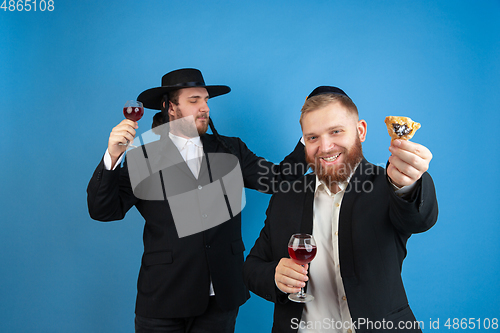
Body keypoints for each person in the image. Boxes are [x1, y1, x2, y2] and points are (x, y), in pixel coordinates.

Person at [86, 68, 309, 332]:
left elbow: (278, 180)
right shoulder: (144, 156)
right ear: (171, 107)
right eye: (194, 100)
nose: (204, 107)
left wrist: (310, 138)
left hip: (220, 301)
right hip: (163, 300)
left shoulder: (231, 149)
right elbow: (103, 210)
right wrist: (113, 157)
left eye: (206, 100)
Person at [243, 86, 438, 333]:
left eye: (336, 131)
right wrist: (274, 274)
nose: (325, 147)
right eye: (313, 137)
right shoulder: (286, 196)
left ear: (360, 131)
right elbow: (251, 268)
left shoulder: (388, 184)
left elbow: (420, 219)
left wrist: (408, 183)